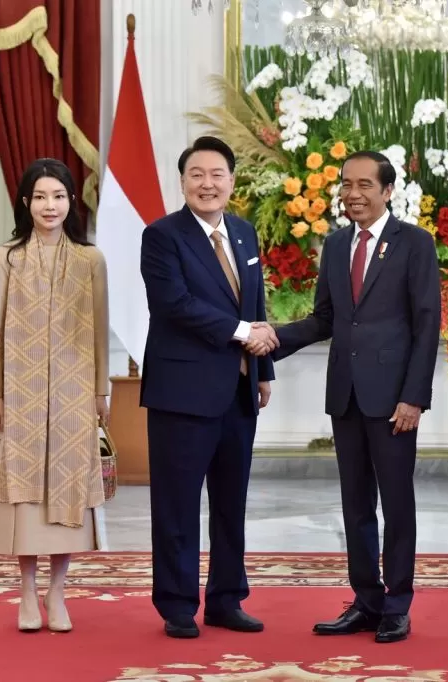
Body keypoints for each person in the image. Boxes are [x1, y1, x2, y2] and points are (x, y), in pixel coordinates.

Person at [273, 150, 441, 644]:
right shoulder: (335, 244)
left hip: (393, 401)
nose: (352, 193)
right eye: (346, 184)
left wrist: (414, 397)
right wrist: (271, 341)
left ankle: (397, 604)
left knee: (397, 503)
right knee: (355, 505)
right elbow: (325, 318)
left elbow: (427, 323)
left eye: (364, 184)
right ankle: (365, 600)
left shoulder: (414, 244)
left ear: (388, 191)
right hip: (345, 395)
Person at [139, 136, 278, 639]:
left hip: (238, 391)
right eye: (197, 174)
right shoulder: (161, 236)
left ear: (232, 181)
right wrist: (244, 335)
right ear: (182, 182)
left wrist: (263, 373)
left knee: (230, 502)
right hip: (182, 393)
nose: (207, 183)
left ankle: (226, 599)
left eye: (217, 174)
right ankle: (177, 605)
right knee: (176, 505)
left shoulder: (243, 233)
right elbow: (173, 304)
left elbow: (254, 303)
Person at [0, 158, 110, 634]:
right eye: (40, 196)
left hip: (76, 394)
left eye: (57, 196)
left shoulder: (90, 259)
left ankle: (58, 592)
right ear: (26, 202)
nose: (49, 205)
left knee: (67, 494)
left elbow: (98, 330)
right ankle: (27, 593)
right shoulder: (7, 257)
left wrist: (100, 391)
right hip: (20, 392)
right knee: (24, 500)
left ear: (71, 201)